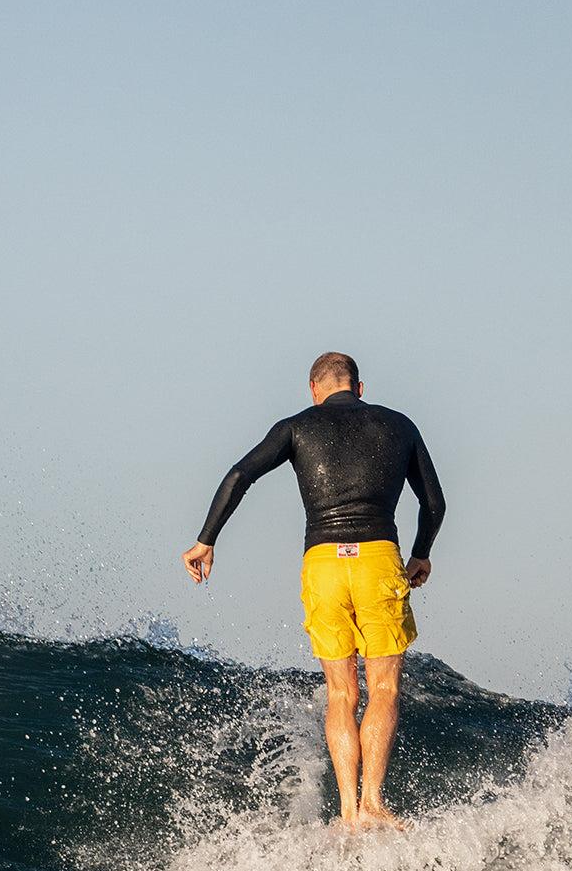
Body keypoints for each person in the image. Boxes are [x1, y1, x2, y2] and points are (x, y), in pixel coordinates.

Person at [182, 352, 445, 829]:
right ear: (360, 388)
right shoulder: (399, 425)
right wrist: (421, 553)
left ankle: (347, 811)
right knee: (383, 685)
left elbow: (240, 475)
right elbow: (434, 501)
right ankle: (373, 804)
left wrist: (207, 539)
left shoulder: (297, 426)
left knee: (341, 692)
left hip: (323, 563)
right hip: (377, 559)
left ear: (314, 389)